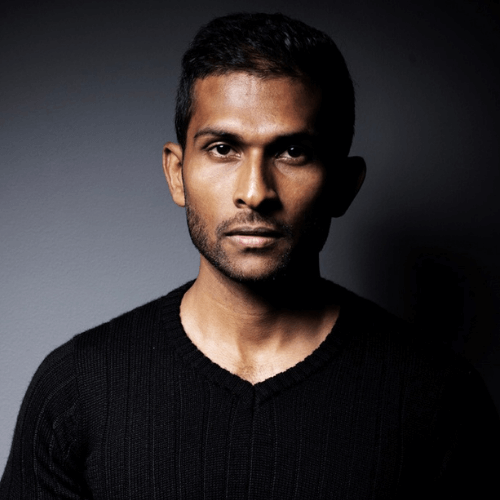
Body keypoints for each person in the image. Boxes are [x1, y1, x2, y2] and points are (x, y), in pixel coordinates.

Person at [1, 12, 499, 499]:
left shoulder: (441, 397)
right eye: (223, 148)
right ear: (177, 173)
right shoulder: (77, 388)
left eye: (293, 152)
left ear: (344, 185)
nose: (255, 192)